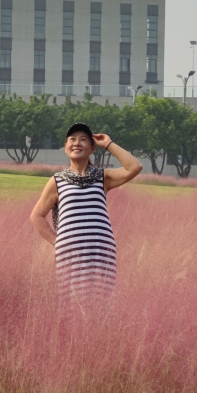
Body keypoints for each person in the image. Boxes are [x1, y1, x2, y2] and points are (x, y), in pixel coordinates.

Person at [29, 123, 142, 298]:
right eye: (72, 139)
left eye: (83, 140)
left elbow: (135, 167)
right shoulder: (57, 180)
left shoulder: (103, 177)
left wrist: (109, 144)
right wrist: (57, 242)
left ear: (91, 149)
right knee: (72, 303)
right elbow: (37, 216)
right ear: (65, 147)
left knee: (102, 302)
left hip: (101, 250)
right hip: (70, 252)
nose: (77, 143)